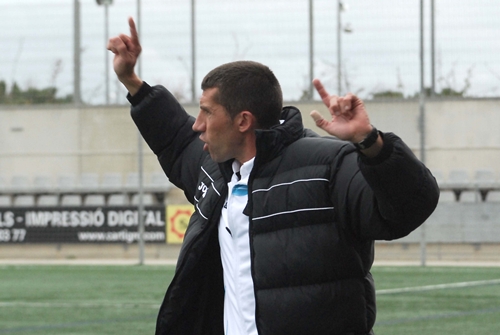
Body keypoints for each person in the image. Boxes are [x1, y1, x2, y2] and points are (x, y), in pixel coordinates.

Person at [108, 17, 439, 335]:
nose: (198, 124)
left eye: (207, 112)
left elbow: (410, 207)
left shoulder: (327, 165)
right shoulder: (218, 168)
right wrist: (132, 82)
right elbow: (178, 140)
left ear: (243, 121)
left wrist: (370, 141)